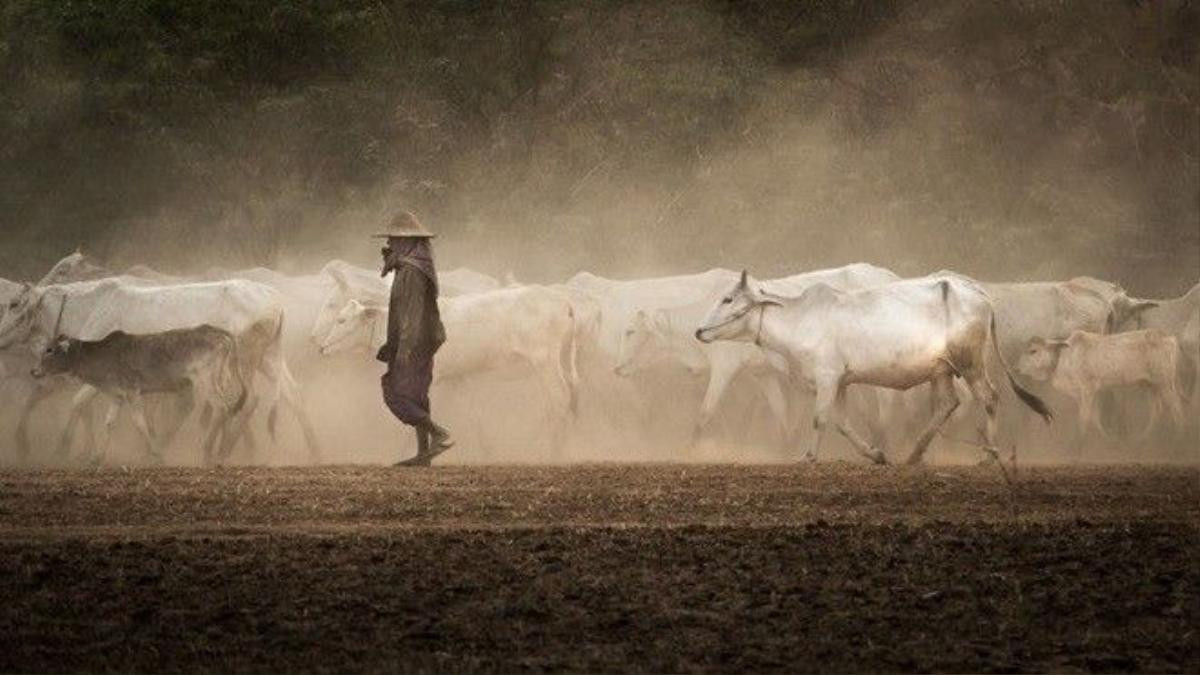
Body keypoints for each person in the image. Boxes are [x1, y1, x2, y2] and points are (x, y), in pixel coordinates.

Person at [372, 210, 454, 466]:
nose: (390, 244)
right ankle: (424, 455)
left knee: (396, 392)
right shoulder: (412, 266)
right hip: (419, 340)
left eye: (395, 239)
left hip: (414, 342)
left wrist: (404, 348)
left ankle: (440, 433)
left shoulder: (410, 271)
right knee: (417, 394)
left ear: (408, 242)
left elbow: (411, 312)